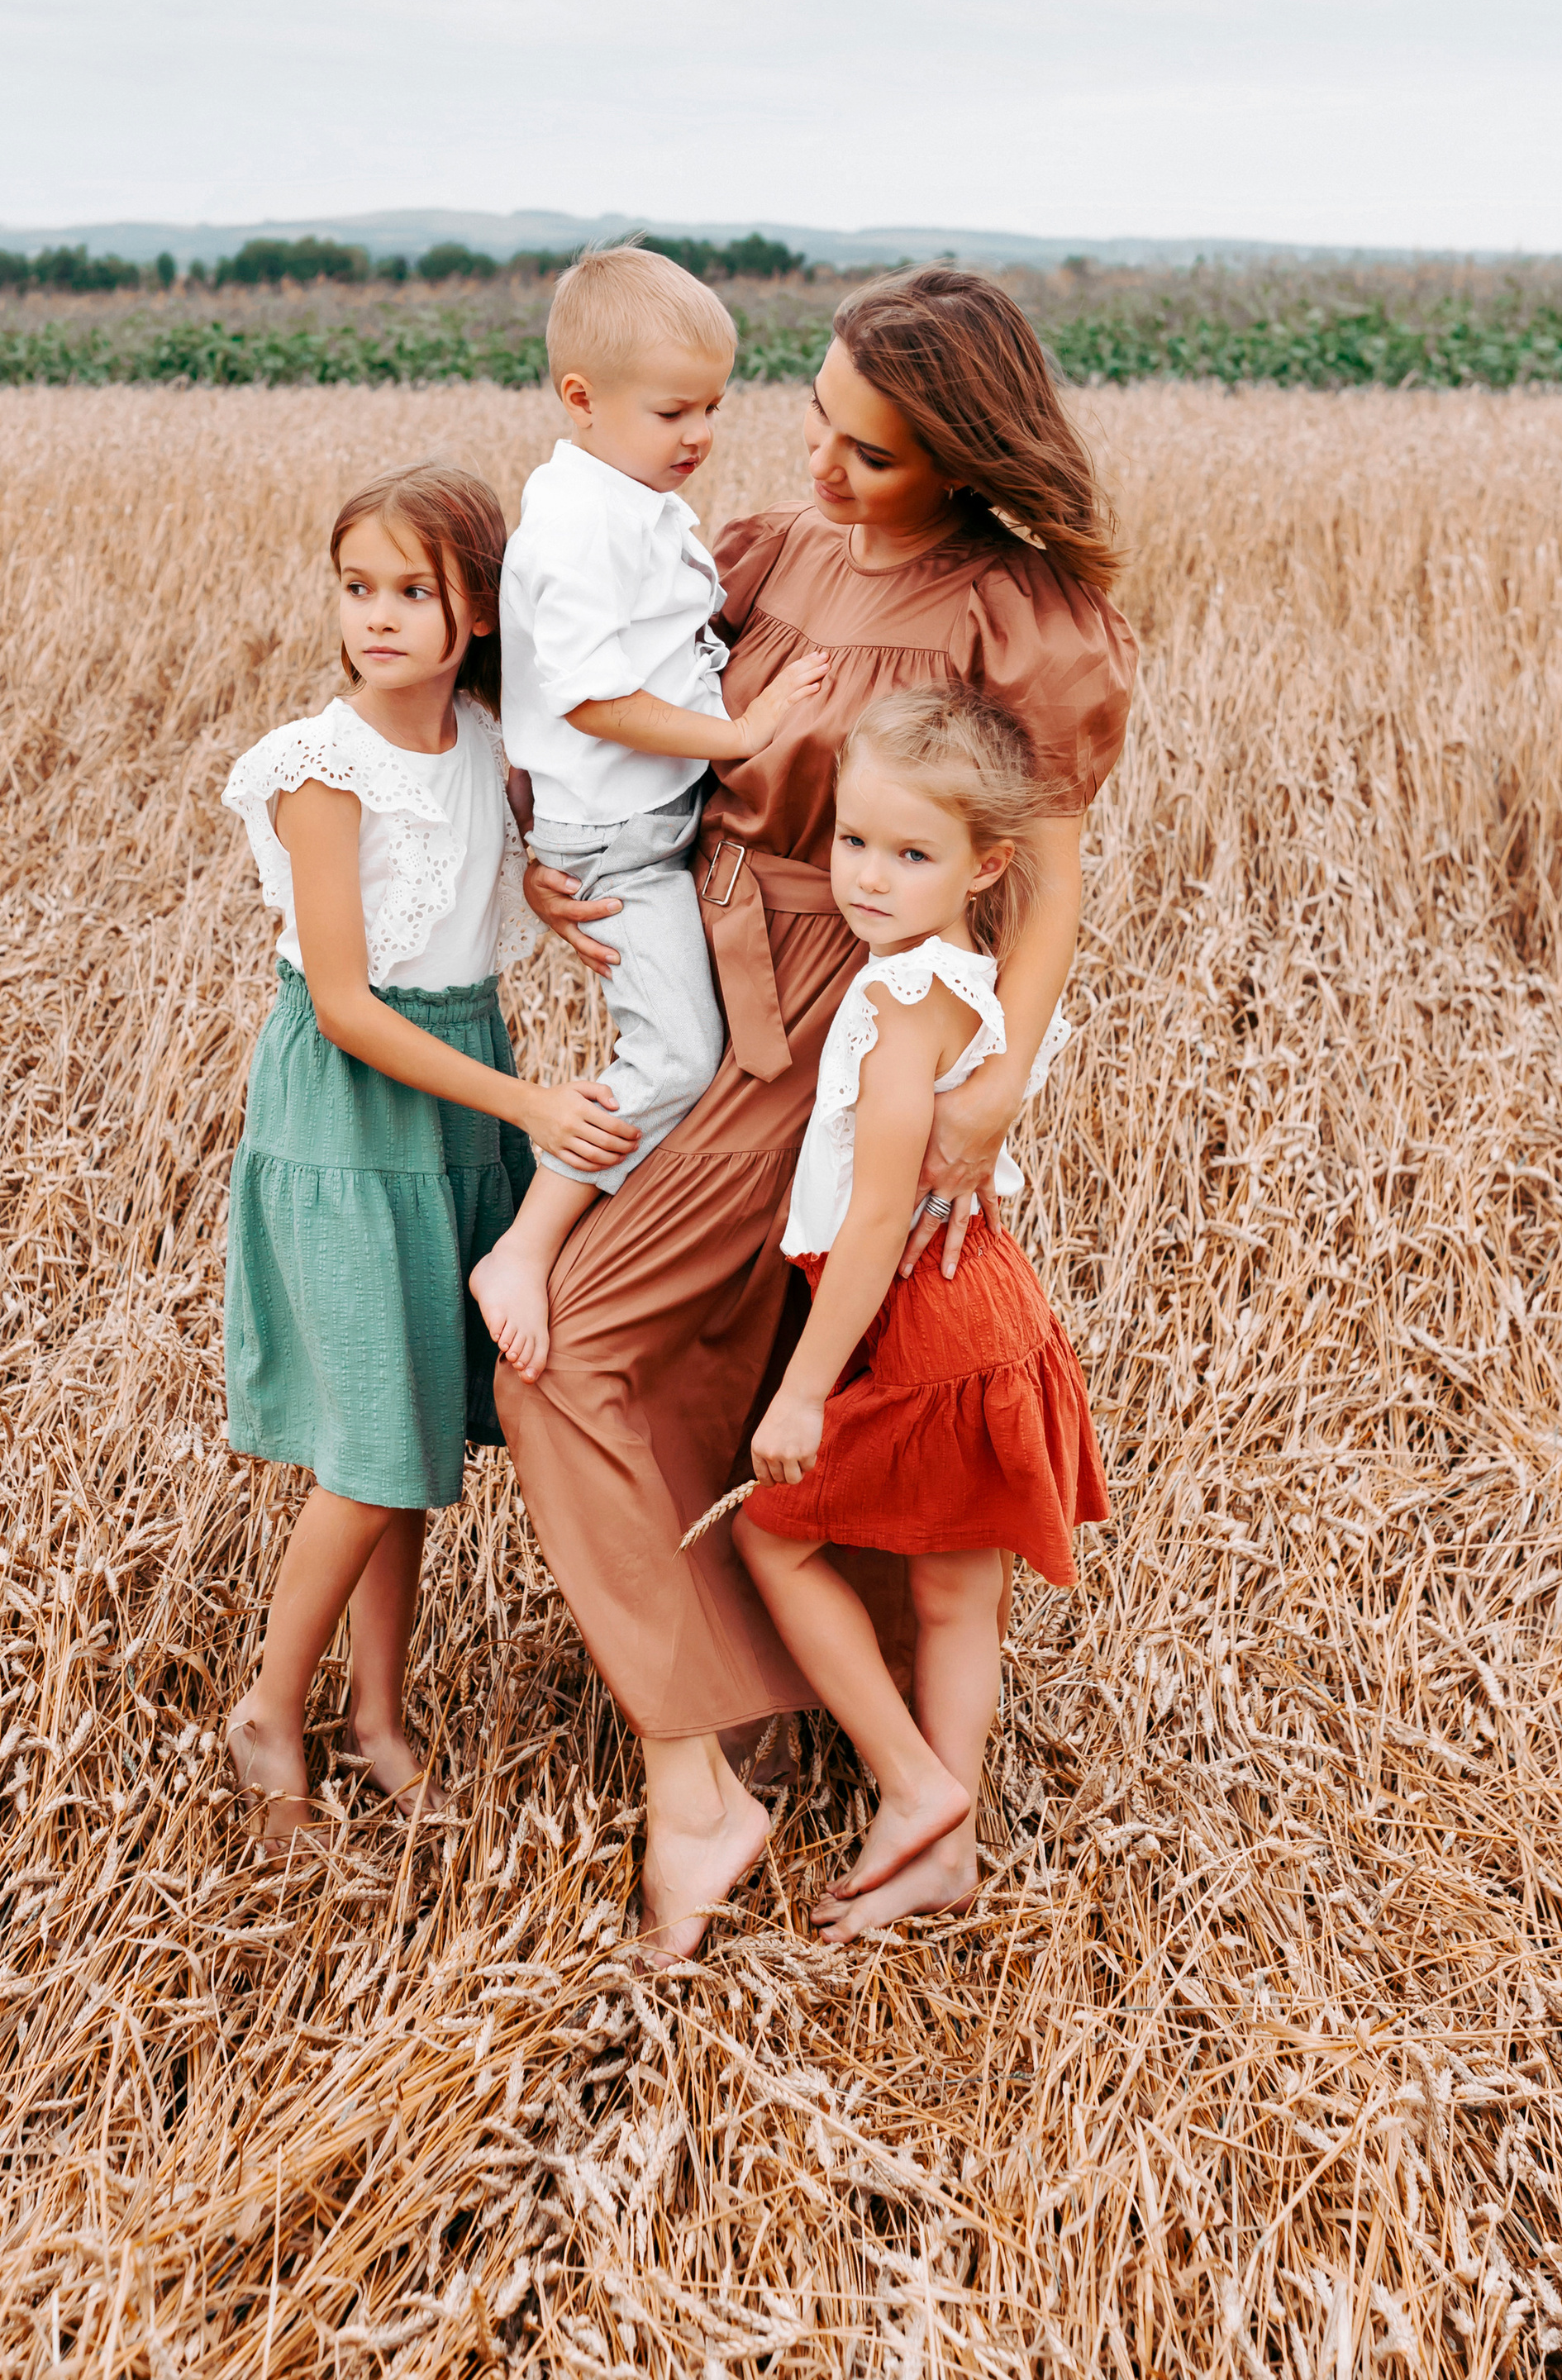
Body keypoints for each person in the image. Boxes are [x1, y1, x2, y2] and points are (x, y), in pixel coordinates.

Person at [495, 268, 1136, 1959]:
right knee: (713, 1347)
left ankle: (711, 1761)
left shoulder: (1016, 614)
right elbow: (599, 701)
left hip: (841, 1021)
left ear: (964, 452)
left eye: (868, 447)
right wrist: (547, 857)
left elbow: (1049, 876)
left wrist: (996, 1082)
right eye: (817, 419)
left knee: (570, 1346)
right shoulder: (772, 553)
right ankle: (782, 1725)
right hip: (705, 975)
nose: (816, 461)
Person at [220, 463, 637, 1838]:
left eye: (415, 589)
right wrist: (529, 1109)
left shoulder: (480, 742)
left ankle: (378, 1718)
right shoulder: (319, 768)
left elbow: (476, 871)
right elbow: (347, 1003)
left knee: (403, 1436)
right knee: (368, 1452)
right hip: (350, 1107)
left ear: (479, 611)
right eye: (358, 587)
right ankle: (269, 1711)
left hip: (454, 1083)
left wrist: (540, 889)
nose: (380, 616)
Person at [735, 688, 1107, 1936]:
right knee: (954, 1599)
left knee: (772, 1539)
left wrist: (802, 1391)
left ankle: (913, 1782)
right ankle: (949, 1844)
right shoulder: (951, 976)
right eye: (854, 841)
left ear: (984, 866)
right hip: (985, 1304)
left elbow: (880, 1213)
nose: (870, 877)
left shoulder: (899, 1007)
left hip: (929, 1326)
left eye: (911, 855)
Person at [471, 243, 828, 1375]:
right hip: (619, 844)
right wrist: (743, 733)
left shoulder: (628, 497)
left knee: (704, 1054)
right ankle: (528, 1247)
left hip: (653, 824)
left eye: (714, 406)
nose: (700, 434)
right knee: (676, 1056)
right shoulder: (578, 525)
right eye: (674, 410)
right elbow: (591, 697)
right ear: (580, 398)